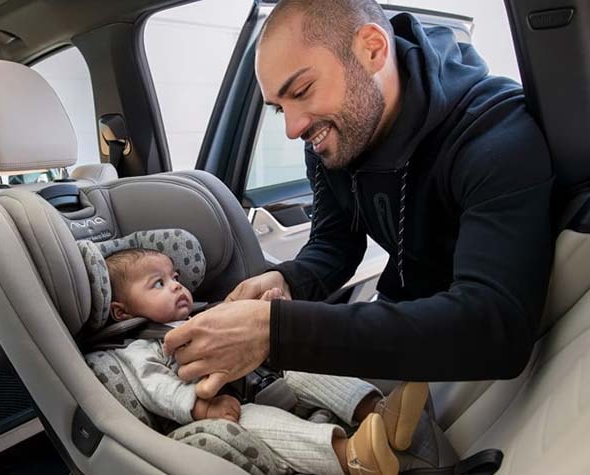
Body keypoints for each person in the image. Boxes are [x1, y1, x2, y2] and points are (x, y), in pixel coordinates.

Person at [164, 0, 553, 401]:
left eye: (302, 90)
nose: (294, 128)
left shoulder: (495, 136)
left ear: (372, 49)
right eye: (281, 109)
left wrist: (273, 330)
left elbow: (493, 328)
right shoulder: (331, 140)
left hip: (467, 354)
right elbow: (335, 245)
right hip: (397, 324)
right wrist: (287, 282)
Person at [105, 248, 430, 475]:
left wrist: (266, 310)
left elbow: (248, 330)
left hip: (260, 377)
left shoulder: (202, 314)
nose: (176, 284)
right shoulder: (140, 347)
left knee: (301, 366)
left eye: (174, 276)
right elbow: (154, 387)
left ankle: (377, 410)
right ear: (123, 311)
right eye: (158, 283)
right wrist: (200, 407)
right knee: (250, 419)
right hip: (215, 408)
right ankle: (349, 457)